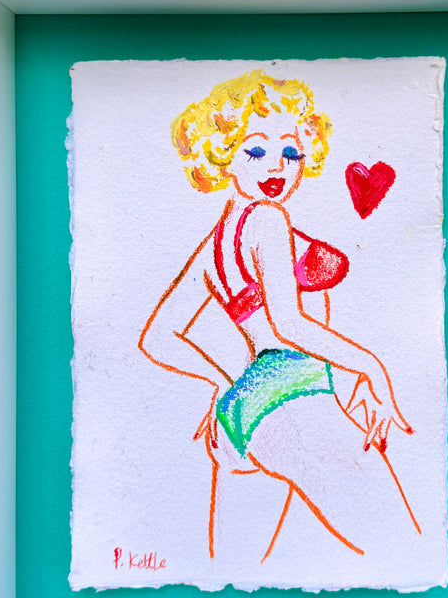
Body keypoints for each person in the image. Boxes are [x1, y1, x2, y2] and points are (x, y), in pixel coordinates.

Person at [139, 69, 419, 564]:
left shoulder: (215, 243)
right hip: (291, 399)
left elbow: (159, 337)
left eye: (291, 152)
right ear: (223, 153)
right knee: (399, 545)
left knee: (232, 572)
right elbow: (288, 326)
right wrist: (372, 368)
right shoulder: (267, 218)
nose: (277, 167)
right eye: (255, 151)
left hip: (240, 418)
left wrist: (226, 383)